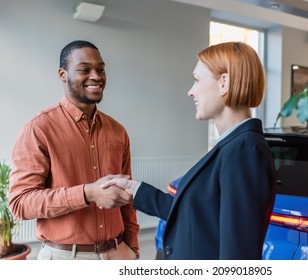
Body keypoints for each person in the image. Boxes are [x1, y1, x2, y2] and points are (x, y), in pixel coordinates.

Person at [101, 41, 277, 260]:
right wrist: (135, 190)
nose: (190, 91)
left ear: (224, 83)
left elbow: (238, 256)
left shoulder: (244, 150)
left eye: (196, 80)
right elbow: (198, 214)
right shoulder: (233, 146)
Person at [8, 40, 140, 260]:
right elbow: (21, 203)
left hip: (118, 253)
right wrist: (87, 193)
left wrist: (133, 249)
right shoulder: (39, 128)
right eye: (84, 70)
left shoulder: (118, 131)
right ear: (62, 74)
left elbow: (127, 201)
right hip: (65, 259)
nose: (96, 76)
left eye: (100, 69)